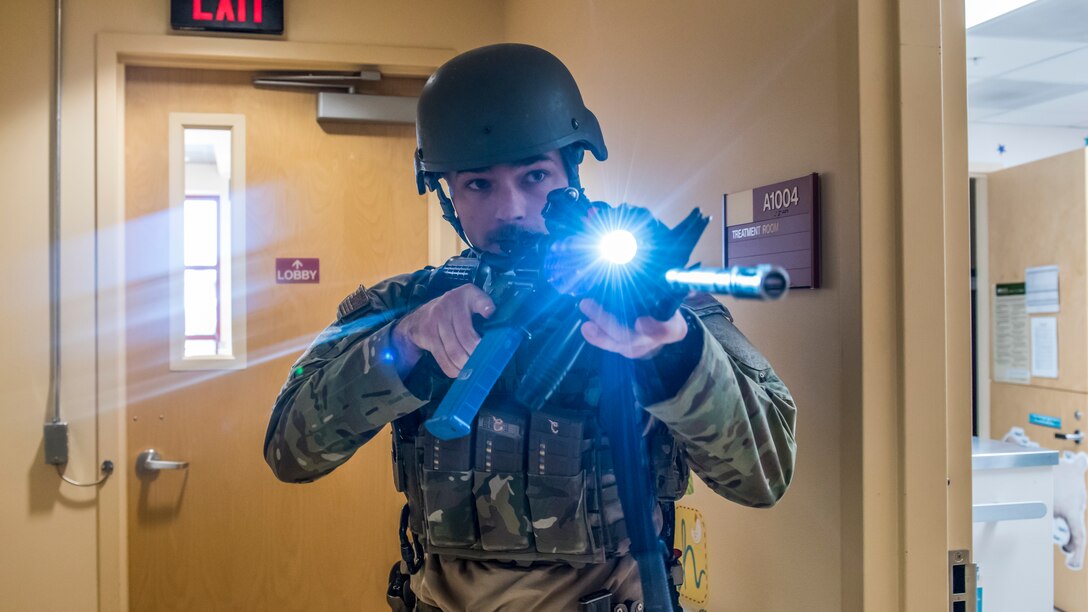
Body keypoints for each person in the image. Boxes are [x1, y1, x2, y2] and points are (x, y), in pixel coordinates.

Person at [264, 43, 797, 612]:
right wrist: (401, 346)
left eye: (535, 175)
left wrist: (675, 356)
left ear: (573, 172)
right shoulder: (405, 306)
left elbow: (764, 477)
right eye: (478, 185)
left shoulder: (654, 305)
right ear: (446, 193)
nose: (512, 208)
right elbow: (289, 454)